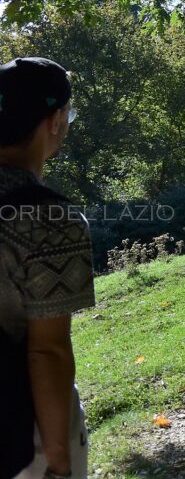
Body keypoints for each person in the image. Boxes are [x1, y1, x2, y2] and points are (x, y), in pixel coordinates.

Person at [0, 57, 94, 479]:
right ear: (54, 120)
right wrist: (58, 461)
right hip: (16, 425)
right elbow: (47, 350)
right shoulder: (49, 219)